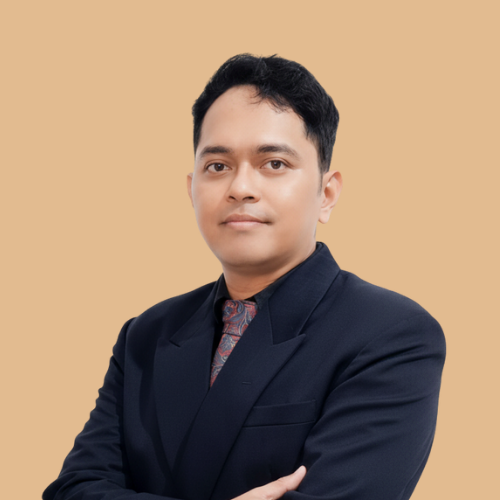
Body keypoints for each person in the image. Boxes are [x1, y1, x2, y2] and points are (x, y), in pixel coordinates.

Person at [43, 54, 446, 500]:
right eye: (217, 166)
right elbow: (72, 489)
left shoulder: (392, 335)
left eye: (274, 163)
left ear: (327, 193)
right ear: (191, 189)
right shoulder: (145, 336)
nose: (240, 188)